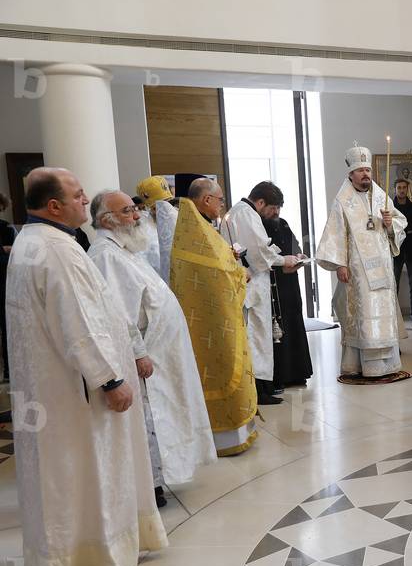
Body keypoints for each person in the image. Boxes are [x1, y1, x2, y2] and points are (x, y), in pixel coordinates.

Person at [7, 167, 167, 566]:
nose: (85, 202)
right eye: (78, 196)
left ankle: (71, 555)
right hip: (76, 393)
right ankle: (96, 556)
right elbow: (78, 323)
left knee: (64, 474)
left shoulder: (37, 242)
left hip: (57, 390)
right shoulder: (55, 250)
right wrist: (109, 378)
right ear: (54, 205)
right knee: (86, 471)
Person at [88, 190, 217, 494]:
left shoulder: (124, 248)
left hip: (159, 348)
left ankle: (160, 478)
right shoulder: (106, 255)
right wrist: (138, 352)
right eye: (127, 211)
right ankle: (151, 486)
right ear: (107, 220)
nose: (136, 216)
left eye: (135, 209)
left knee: (164, 413)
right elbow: (118, 312)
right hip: (145, 354)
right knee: (150, 417)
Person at [175, 180, 259, 457]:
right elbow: (219, 274)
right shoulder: (193, 229)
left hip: (214, 313)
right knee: (220, 369)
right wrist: (239, 273)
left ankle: (239, 430)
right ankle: (224, 437)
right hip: (212, 316)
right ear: (207, 200)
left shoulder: (196, 226)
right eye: (220, 199)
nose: (222, 204)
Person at [316, 145, 408, 379]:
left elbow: (399, 222)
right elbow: (336, 233)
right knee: (363, 315)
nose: (366, 174)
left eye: (368, 170)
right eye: (361, 171)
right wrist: (340, 265)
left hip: (383, 267)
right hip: (358, 270)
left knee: (383, 312)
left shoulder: (379, 195)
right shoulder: (342, 201)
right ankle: (363, 366)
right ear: (351, 174)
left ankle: (388, 365)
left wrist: (389, 224)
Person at [221, 181, 302, 405]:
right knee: (256, 336)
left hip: (253, 281)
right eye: (273, 208)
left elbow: (258, 247)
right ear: (261, 202)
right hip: (251, 285)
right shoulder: (246, 214)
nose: (275, 213)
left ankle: (263, 387)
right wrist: (284, 259)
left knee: (259, 335)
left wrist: (275, 255)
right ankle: (259, 390)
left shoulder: (242, 212)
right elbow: (257, 252)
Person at [263, 214, 314, 388]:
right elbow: (263, 257)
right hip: (275, 282)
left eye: (278, 207)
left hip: (291, 282)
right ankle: (282, 375)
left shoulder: (283, 223)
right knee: (279, 327)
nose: (276, 212)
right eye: (273, 207)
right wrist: (282, 265)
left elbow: (294, 246)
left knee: (294, 323)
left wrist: (298, 256)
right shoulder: (260, 225)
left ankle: (299, 372)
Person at [392, 178, 412, 329]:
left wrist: (403, 227)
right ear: (395, 189)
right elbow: (390, 227)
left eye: (404, 187)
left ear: (407, 189)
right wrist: (407, 227)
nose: (402, 190)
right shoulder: (390, 206)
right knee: (393, 285)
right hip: (395, 249)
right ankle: (394, 319)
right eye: (399, 188)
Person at [136, 175, 178, 282]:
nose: (165, 210)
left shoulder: (178, 217)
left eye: (169, 203)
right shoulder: (141, 226)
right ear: (150, 207)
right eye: (157, 208)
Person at [0, 192, 16, 380]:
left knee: (7, 326)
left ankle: (8, 371)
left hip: (4, 283)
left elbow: (14, 256)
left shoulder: (5, 228)